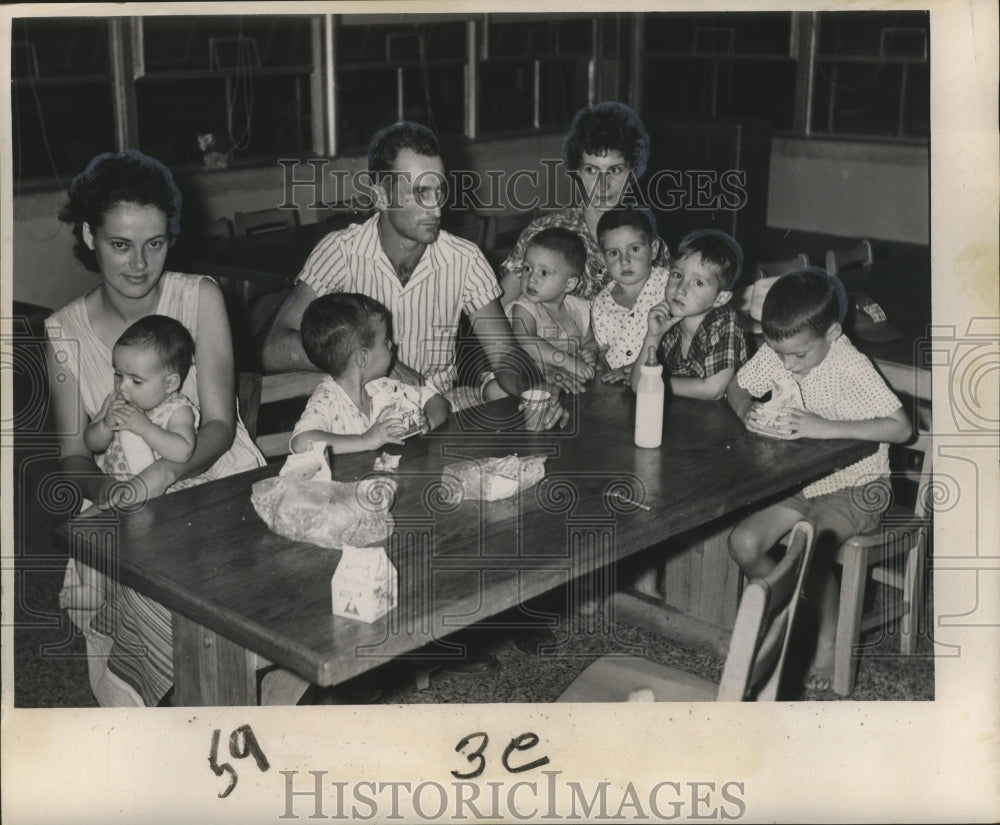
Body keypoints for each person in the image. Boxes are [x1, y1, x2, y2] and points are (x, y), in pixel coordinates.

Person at [45, 149, 265, 707]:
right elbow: (73, 456)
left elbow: (219, 423)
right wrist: (119, 494)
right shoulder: (63, 332)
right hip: (124, 497)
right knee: (151, 598)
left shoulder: (201, 296)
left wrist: (168, 472)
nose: (140, 264)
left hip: (213, 472)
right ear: (89, 237)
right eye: (121, 244)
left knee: (233, 608)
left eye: (156, 243)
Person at [261, 120, 575, 422]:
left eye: (439, 191)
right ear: (381, 196)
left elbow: (504, 355)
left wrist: (535, 392)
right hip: (359, 415)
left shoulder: (464, 259)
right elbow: (275, 349)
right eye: (420, 193)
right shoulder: (340, 252)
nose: (436, 208)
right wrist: (383, 365)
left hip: (441, 408)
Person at [725, 268, 911, 692]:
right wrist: (745, 412)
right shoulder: (782, 350)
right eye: (779, 353)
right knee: (743, 543)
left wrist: (824, 426)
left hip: (860, 486)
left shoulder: (850, 366)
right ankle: (786, 610)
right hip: (800, 482)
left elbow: (901, 429)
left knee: (808, 554)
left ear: (832, 332)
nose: (788, 365)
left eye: (800, 357)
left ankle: (824, 642)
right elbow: (737, 387)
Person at [62, 314, 200, 612]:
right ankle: (92, 588)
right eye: (118, 375)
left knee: (153, 546)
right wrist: (104, 425)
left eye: (136, 380)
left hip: (158, 495)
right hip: (114, 489)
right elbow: (92, 443)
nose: (123, 387)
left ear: (170, 383)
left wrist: (145, 428)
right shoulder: (115, 401)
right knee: (84, 525)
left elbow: (183, 451)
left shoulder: (177, 410)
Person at [499, 101, 670, 304]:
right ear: (578, 173)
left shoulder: (648, 243)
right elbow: (498, 313)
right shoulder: (544, 230)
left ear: (631, 174)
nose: (603, 185)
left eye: (615, 170)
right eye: (592, 170)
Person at [290, 293, 449, 455]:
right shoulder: (327, 400)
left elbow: (437, 401)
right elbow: (300, 443)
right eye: (385, 340)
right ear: (363, 358)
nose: (391, 344)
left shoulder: (384, 387)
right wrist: (365, 440)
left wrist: (427, 423)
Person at [627, 229, 748, 400]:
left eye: (698, 282)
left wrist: (656, 383)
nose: (680, 289)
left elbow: (713, 390)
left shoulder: (724, 322)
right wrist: (653, 335)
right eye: (677, 275)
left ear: (721, 298)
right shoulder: (668, 321)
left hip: (723, 420)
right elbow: (638, 384)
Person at [499, 227, 599, 390]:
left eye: (544, 273)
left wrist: (590, 352)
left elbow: (590, 341)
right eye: (527, 268)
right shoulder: (525, 308)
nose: (531, 278)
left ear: (569, 284)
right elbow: (525, 340)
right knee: (496, 390)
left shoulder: (579, 308)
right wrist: (565, 360)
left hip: (564, 378)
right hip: (523, 377)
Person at [591, 207, 672, 378]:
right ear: (603, 259)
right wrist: (600, 364)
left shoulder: (669, 286)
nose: (624, 261)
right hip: (615, 388)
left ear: (654, 249)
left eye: (634, 249)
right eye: (613, 253)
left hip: (657, 382)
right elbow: (604, 349)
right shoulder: (601, 302)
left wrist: (640, 368)